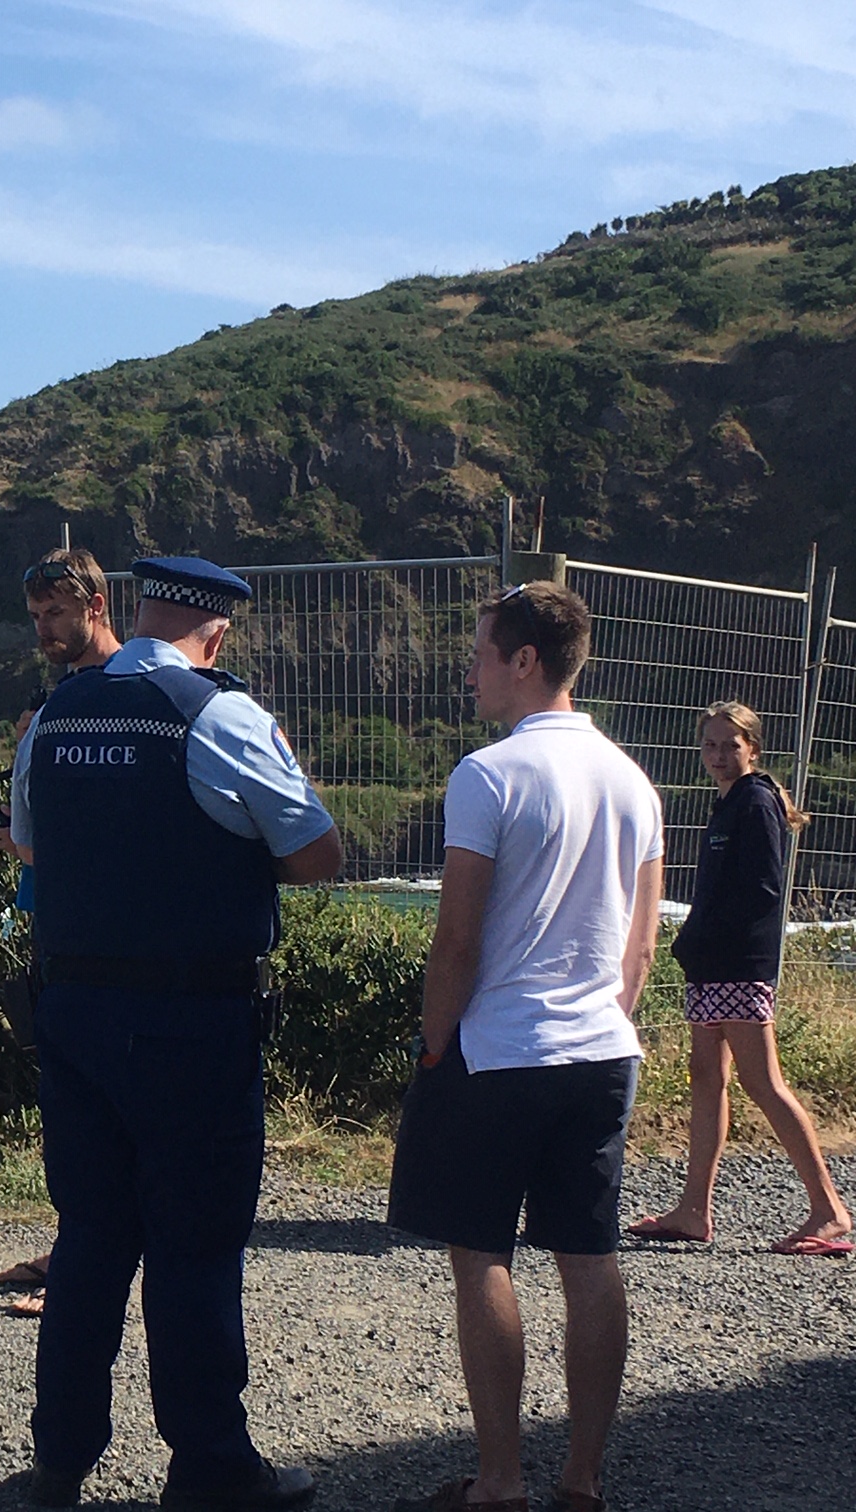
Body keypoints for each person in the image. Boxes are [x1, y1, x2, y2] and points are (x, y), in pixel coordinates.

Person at [13, 556, 342, 1511]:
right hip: (192, 1021)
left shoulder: (56, 717)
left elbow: (34, 844)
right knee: (195, 1248)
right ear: (220, 632)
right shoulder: (220, 715)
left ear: (136, 608)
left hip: (72, 1015)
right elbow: (315, 854)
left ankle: (59, 1463)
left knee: (89, 1242)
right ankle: (210, 1466)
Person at [387, 582, 664, 1512]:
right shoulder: (635, 780)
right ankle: (582, 1482)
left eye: (479, 654)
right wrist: (610, 1019)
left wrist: (434, 1048)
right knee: (589, 1261)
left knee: (483, 1255)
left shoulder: (489, 775)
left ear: (525, 662)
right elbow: (642, 945)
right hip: (602, 1048)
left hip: (501, 1049)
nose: (469, 672)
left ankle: (499, 1481)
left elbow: (456, 939)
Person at [628, 701, 852, 1256]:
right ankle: (693, 1211)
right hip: (711, 967)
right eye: (711, 745)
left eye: (731, 745)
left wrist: (704, 940)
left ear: (752, 747)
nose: (720, 756)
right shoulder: (728, 804)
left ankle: (828, 1211)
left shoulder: (755, 802)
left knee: (764, 1083)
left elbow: (764, 892)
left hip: (737, 968)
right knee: (706, 1077)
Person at [0, 546, 124, 1317]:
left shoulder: (106, 697)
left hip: (86, 927)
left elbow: (81, 834)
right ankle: (74, 1247)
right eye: (37, 616)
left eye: (57, 614)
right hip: (53, 915)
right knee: (70, 1101)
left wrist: (23, 841)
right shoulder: (64, 697)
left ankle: (83, 1266)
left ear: (96, 607)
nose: (44, 629)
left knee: (90, 1104)